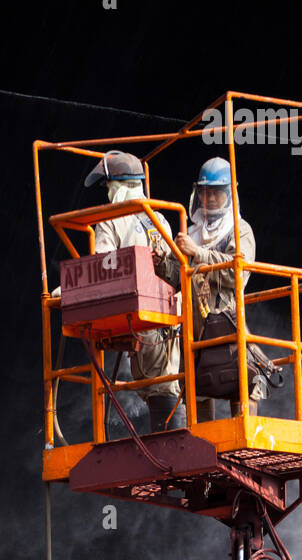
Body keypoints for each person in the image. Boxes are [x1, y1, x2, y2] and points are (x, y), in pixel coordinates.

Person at [83, 149, 186, 432]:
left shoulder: (110, 219)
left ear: (116, 186)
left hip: (137, 316)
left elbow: (102, 268)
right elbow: (176, 268)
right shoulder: (159, 219)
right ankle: (178, 438)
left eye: (107, 186)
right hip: (170, 314)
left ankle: (170, 446)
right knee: (170, 377)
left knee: (158, 383)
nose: (106, 193)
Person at [159, 156, 266, 420]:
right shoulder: (192, 233)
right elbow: (173, 278)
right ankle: (204, 449)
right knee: (197, 391)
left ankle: (245, 436)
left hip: (226, 326)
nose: (209, 198)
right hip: (195, 331)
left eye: (216, 192)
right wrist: (162, 259)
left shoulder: (240, 231)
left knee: (243, 381)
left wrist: (198, 253)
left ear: (229, 193)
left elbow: (237, 274)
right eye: (205, 192)